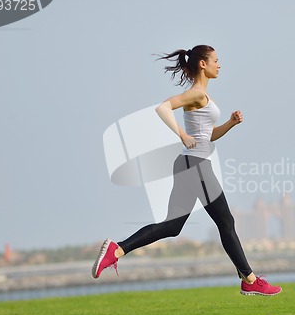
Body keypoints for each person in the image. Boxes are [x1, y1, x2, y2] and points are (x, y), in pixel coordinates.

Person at [92, 45, 281, 296]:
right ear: (203, 64)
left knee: (172, 226)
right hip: (195, 166)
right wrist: (181, 134)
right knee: (226, 221)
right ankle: (249, 279)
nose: (219, 64)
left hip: (191, 164)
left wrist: (230, 124)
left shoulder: (203, 96)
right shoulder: (196, 94)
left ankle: (117, 250)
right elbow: (163, 108)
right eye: (216, 60)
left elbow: (207, 136)